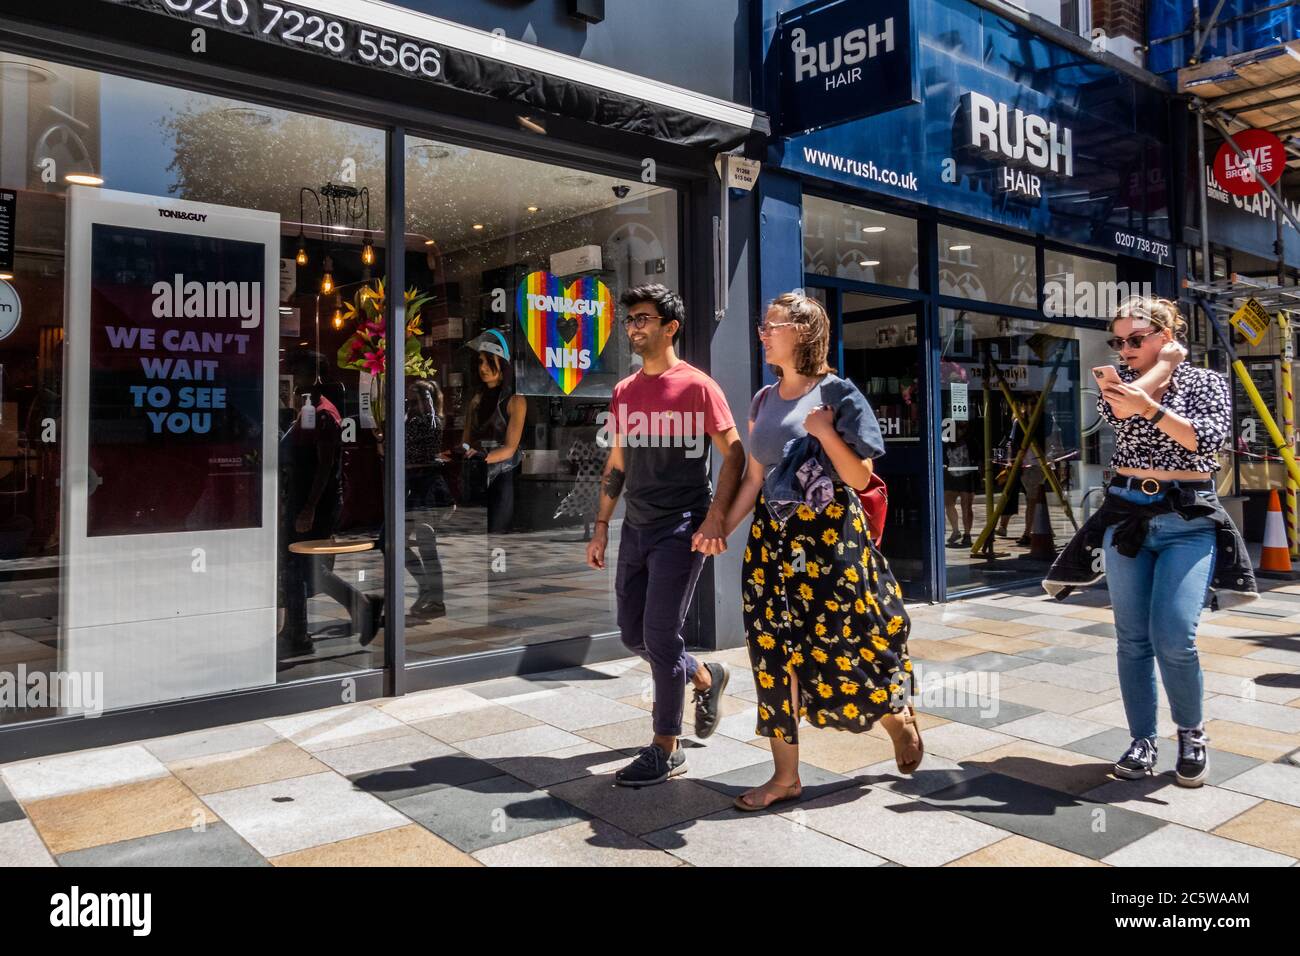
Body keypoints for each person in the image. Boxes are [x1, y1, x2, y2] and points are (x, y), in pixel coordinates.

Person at [720, 292, 922, 811]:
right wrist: (718, 526)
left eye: (772, 325)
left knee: (842, 645)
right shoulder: (765, 399)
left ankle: (894, 718)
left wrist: (826, 432)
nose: (763, 333)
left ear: (803, 332)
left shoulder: (838, 392)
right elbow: (756, 478)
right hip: (773, 540)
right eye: (763, 326)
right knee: (772, 654)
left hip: (830, 540)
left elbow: (859, 476)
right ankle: (785, 776)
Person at [1044, 296, 1253, 788]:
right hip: (1127, 514)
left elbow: (1204, 442)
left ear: (1166, 334)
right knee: (1132, 638)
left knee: (1175, 635)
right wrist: (1157, 372)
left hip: (1188, 517)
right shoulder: (1119, 385)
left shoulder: (1207, 383)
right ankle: (1142, 740)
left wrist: (1152, 407)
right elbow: (1119, 415)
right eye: (1118, 341)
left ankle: (1191, 733)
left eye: (1135, 338)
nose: (1124, 348)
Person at [585, 284, 745, 787]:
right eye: (629, 319)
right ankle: (703, 675)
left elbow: (735, 452)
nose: (633, 326)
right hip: (635, 526)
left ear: (670, 327)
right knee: (632, 634)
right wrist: (602, 526)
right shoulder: (624, 390)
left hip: (681, 529)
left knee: (659, 635)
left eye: (643, 319)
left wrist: (716, 517)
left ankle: (666, 747)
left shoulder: (698, 386)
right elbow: (617, 463)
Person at [278, 357, 345, 654]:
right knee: (302, 565)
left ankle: (298, 632)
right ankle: (295, 627)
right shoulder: (306, 411)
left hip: (311, 500)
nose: (295, 377)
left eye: (300, 372)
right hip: (300, 496)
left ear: (315, 376)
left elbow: (325, 466)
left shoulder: (324, 414)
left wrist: (310, 507)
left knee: (297, 564)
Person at [462, 330, 526, 535]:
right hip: (476, 474)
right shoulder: (475, 400)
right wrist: (459, 452)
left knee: (498, 535)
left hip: (503, 475)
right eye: (480, 362)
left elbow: (509, 448)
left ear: (502, 365)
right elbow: (466, 440)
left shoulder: (516, 400)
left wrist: (483, 456)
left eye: (489, 362)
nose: (483, 368)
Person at [405, 377, 452, 619]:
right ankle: (428, 590)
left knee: (426, 546)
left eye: (416, 400)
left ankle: (435, 597)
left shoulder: (430, 420)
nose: (411, 404)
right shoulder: (412, 419)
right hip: (412, 485)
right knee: (392, 542)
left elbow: (417, 452)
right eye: (409, 400)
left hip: (424, 487)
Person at [943, 420, 981, 547]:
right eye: (959, 427)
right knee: (948, 503)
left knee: (966, 506)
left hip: (967, 475)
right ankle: (955, 530)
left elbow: (978, 458)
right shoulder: (947, 441)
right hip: (952, 475)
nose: (961, 430)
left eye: (963, 427)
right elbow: (945, 457)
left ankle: (967, 533)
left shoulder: (971, 441)